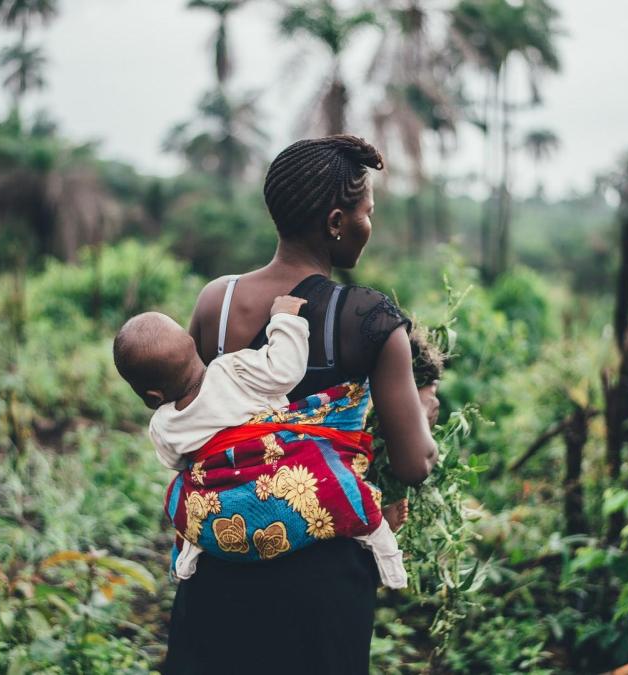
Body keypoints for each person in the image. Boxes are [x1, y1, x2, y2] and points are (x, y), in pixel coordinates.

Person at [163, 135, 440, 675]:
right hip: (321, 587)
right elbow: (414, 465)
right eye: (367, 213)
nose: (369, 226)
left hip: (221, 559)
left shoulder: (215, 302)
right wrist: (422, 414)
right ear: (337, 221)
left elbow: (196, 420)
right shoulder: (368, 318)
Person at [111, 296, 409, 588]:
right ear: (192, 347)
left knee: (180, 494)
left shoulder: (163, 424)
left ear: (152, 397)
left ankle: (189, 553)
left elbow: (178, 463)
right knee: (333, 480)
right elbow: (285, 370)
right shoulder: (232, 369)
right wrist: (284, 318)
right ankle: (383, 546)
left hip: (225, 514)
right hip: (279, 480)